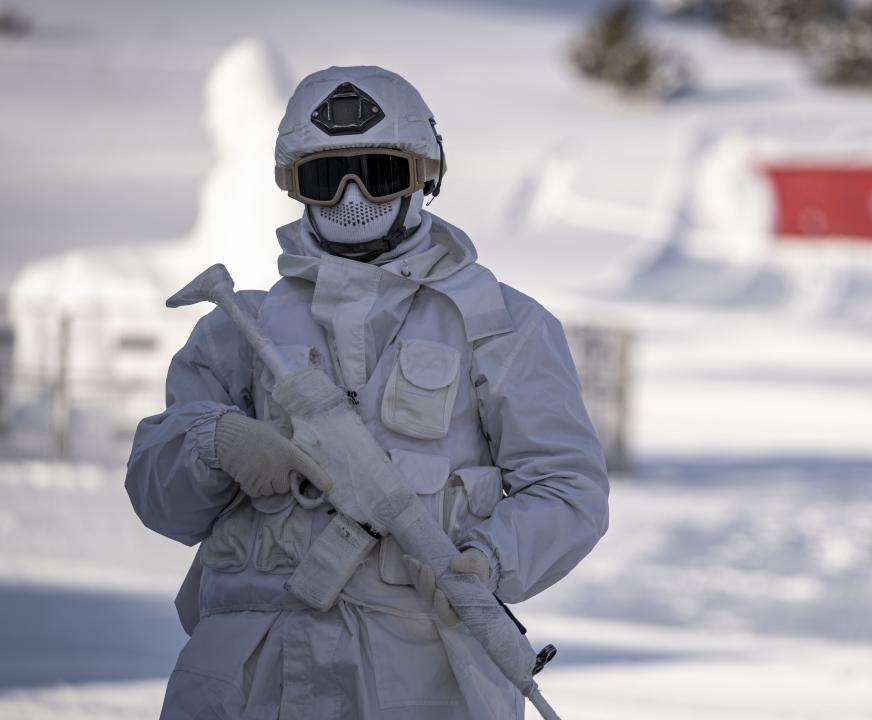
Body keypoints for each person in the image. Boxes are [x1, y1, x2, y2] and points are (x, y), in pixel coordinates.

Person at [126, 65, 610, 720]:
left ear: (424, 175)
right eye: (326, 178)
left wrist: (489, 557)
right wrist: (215, 442)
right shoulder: (240, 331)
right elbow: (163, 504)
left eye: (378, 173)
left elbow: (568, 487)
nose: (352, 198)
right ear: (295, 188)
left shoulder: (501, 328)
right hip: (249, 682)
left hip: (421, 682)